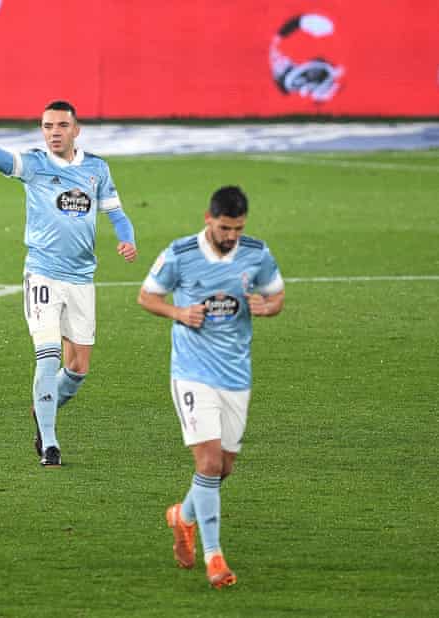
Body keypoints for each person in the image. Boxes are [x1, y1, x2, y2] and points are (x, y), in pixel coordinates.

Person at [0, 85, 137, 467]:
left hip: (82, 279)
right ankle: (49, 442)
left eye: (62, 125)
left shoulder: (96, 168)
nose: (54, 132)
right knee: (46, 355)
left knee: (77, 368)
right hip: (43, 274)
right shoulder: (33, 164)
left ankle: (42, 407)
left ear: (76, 130)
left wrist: (127, 239)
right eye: (48, 126)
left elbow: (116, 212)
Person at [137, 186, 285, 588]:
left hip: (236, 375)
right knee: (207, 463)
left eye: (237, 228)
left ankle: (183, 517)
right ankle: (214, 557)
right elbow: (147, 296)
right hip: (192, 371)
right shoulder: (181, 254)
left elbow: (277, 296)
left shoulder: (256, 252)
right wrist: (178, 312)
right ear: (208, 218)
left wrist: (266, 308)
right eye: (224, 227)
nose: (231, 235)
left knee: (224, 468)